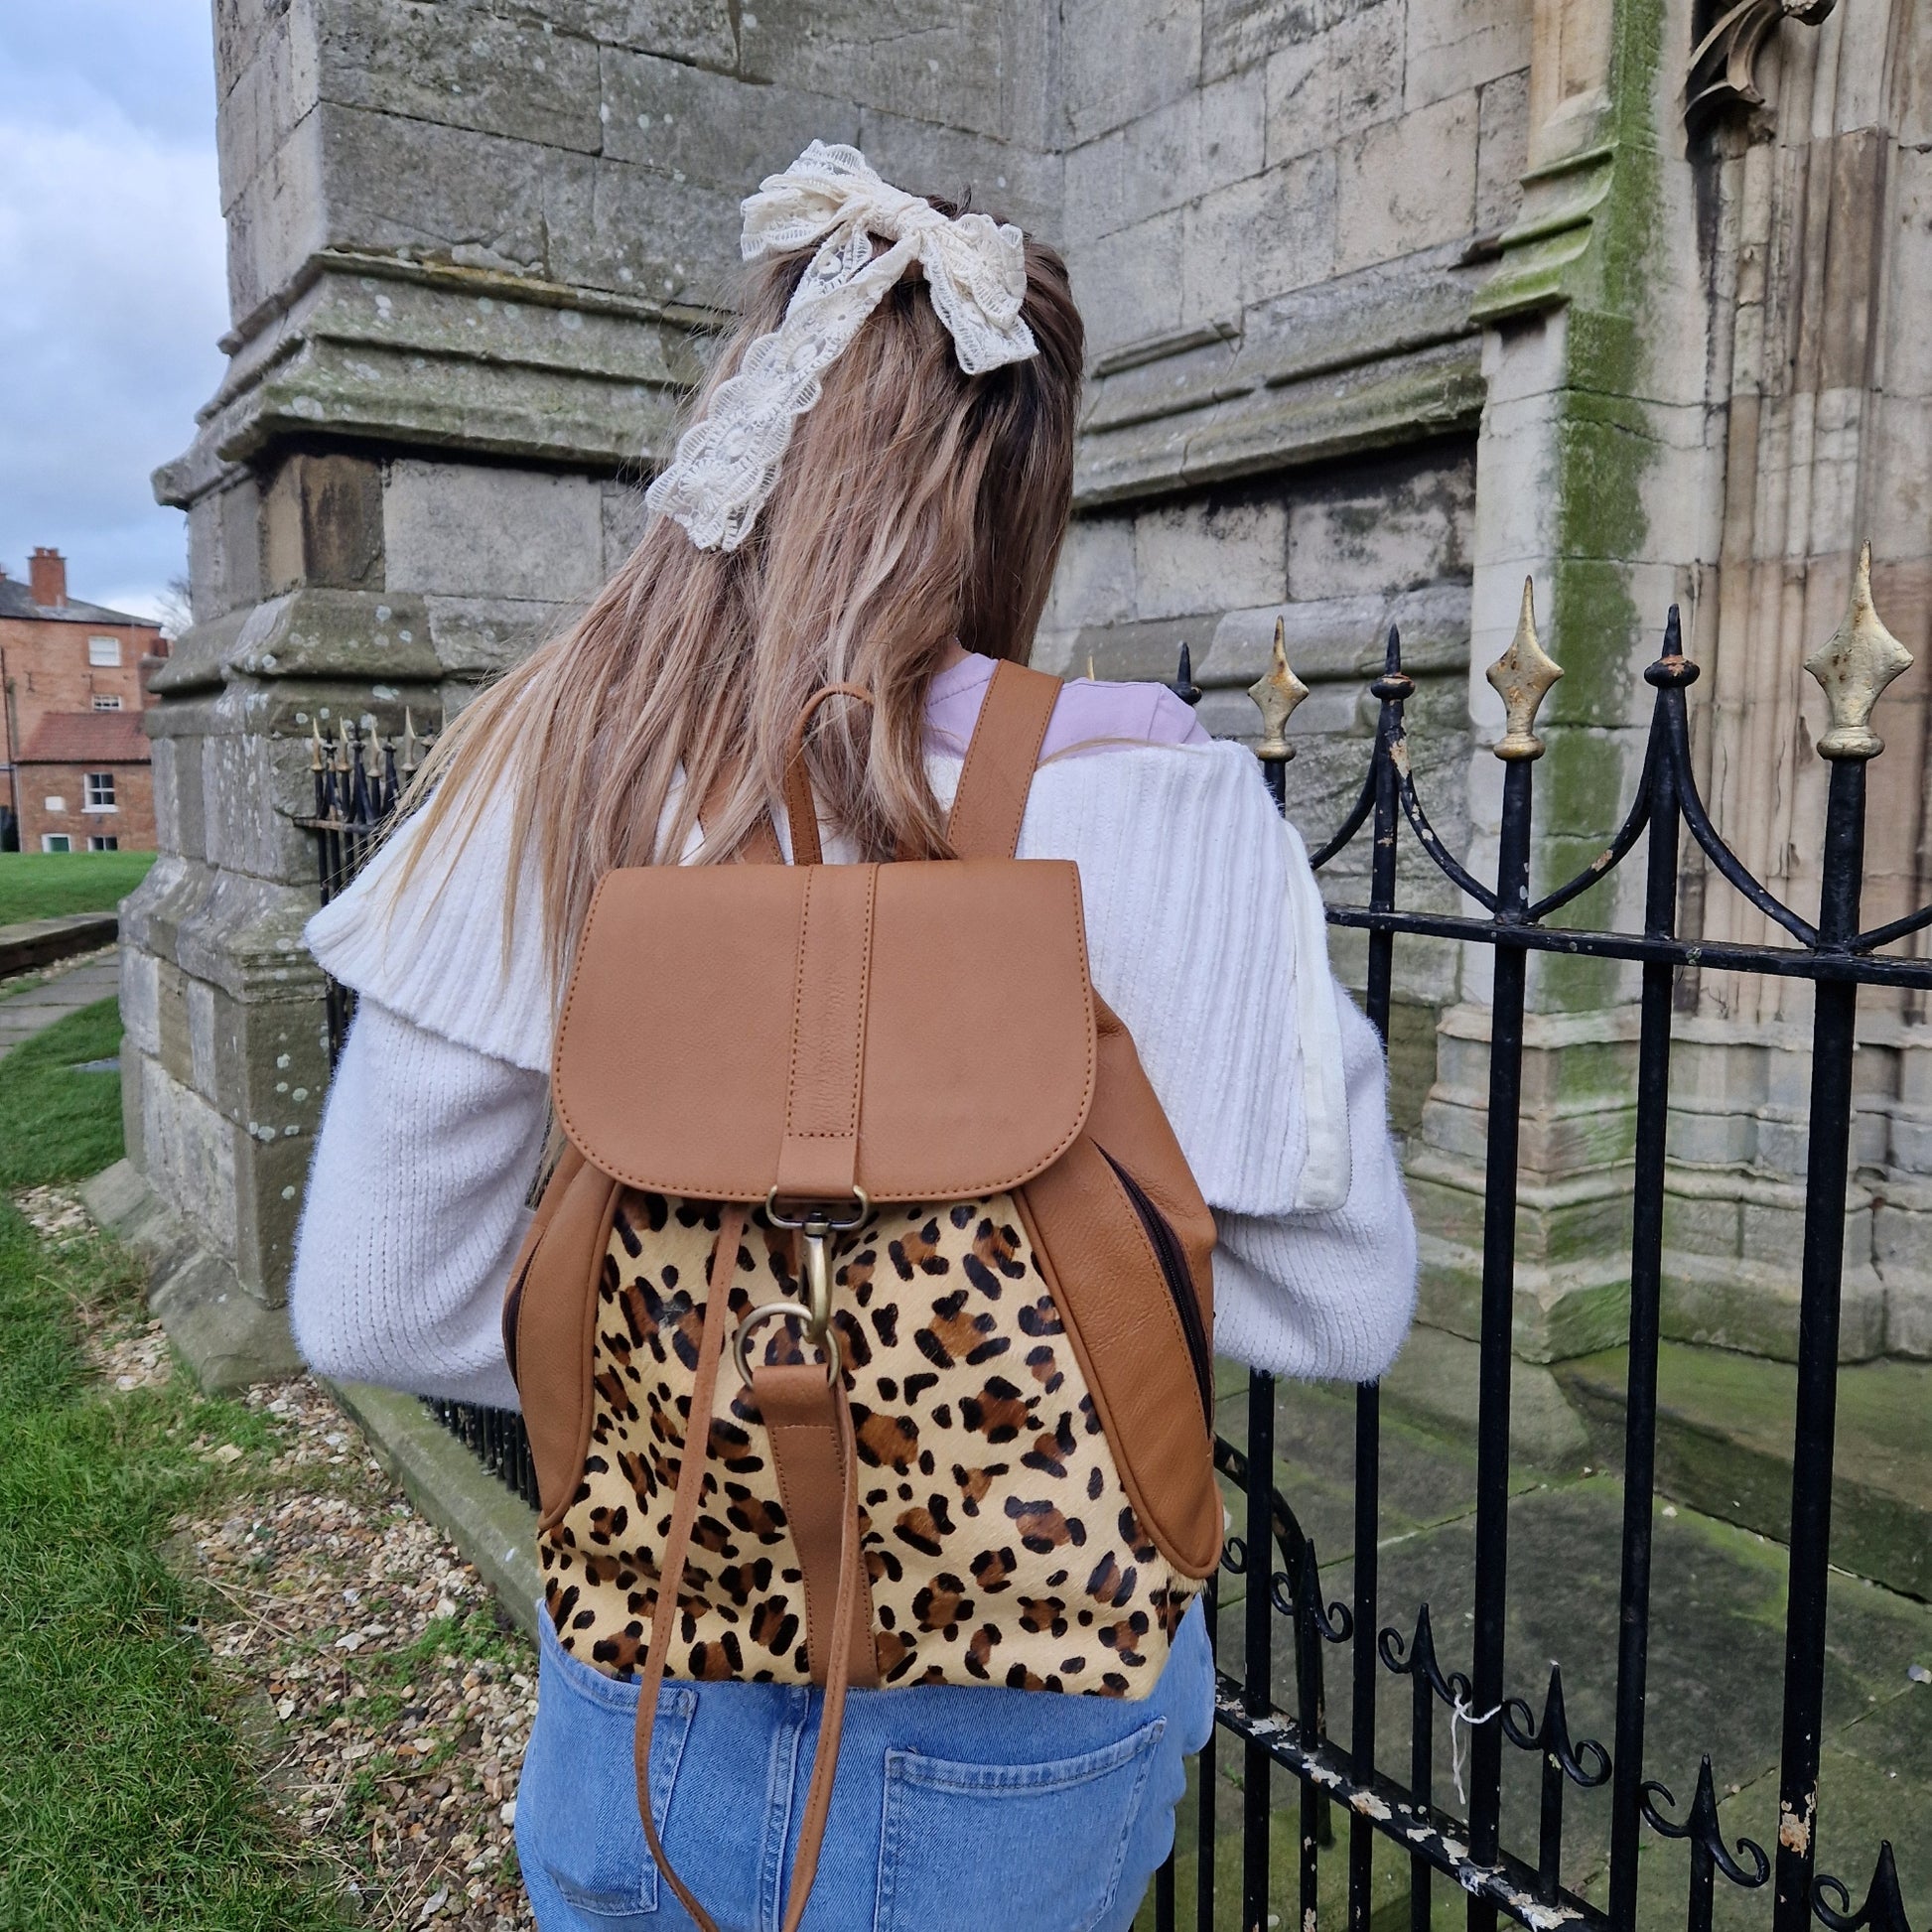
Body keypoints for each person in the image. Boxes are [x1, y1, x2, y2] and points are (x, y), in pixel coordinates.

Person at [291, 142, 1416, 1932]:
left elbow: (374, 1303)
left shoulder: (554, 751)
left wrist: (713, 1364)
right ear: (1022, 476)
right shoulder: (1163, 798)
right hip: (1030, 1706)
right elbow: (1334, 1306)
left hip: (654, 1668)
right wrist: (983, 1302)